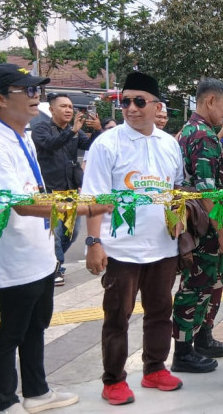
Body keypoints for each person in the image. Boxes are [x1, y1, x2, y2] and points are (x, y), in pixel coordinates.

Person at [0, 63, 105, 413]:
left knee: (37, 325)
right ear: (0, 98)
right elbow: (23, 205)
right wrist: (85, 209)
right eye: (28, 91)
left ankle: (37, 391)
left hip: (38, 251)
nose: (36, 98)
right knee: (12, 331)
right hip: (12, 253)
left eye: (37, 92)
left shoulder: (23, 135)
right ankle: (6, 401)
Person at [82, 71, 186, 406]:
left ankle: (154, 368)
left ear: (157, 106)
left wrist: (177, 221)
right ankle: (113, 380)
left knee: (160, 311)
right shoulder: (107, 145)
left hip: (162, 248)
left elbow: (176, 193)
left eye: (139, 101)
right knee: (117, 318)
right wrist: (93, 243)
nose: (131, 108)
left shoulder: (169, 145)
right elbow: (94, 199)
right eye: (124, 101)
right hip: (120, 250)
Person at [171, 78, 223, 374]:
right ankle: (183, 352)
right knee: (195, 288)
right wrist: (221, 230)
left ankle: (203, 339)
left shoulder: (189, 131)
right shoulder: (203, 137)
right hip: (205, 230)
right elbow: (208, 191)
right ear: (209, 101)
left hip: (201, 227)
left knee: (211, 285)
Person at [32, 92, 102, 286]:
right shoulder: (41, 129)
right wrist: (72, 132)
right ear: (52, 109)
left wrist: (97, 130)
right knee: (53, 234)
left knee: (72, 232)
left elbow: (90, 145)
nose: (68, 110)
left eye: (71, 107)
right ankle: (55, 267)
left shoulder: (75, 131)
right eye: (63, 106)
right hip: (49, 191)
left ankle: (51, 262)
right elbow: (50, 145)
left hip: (70, 190)